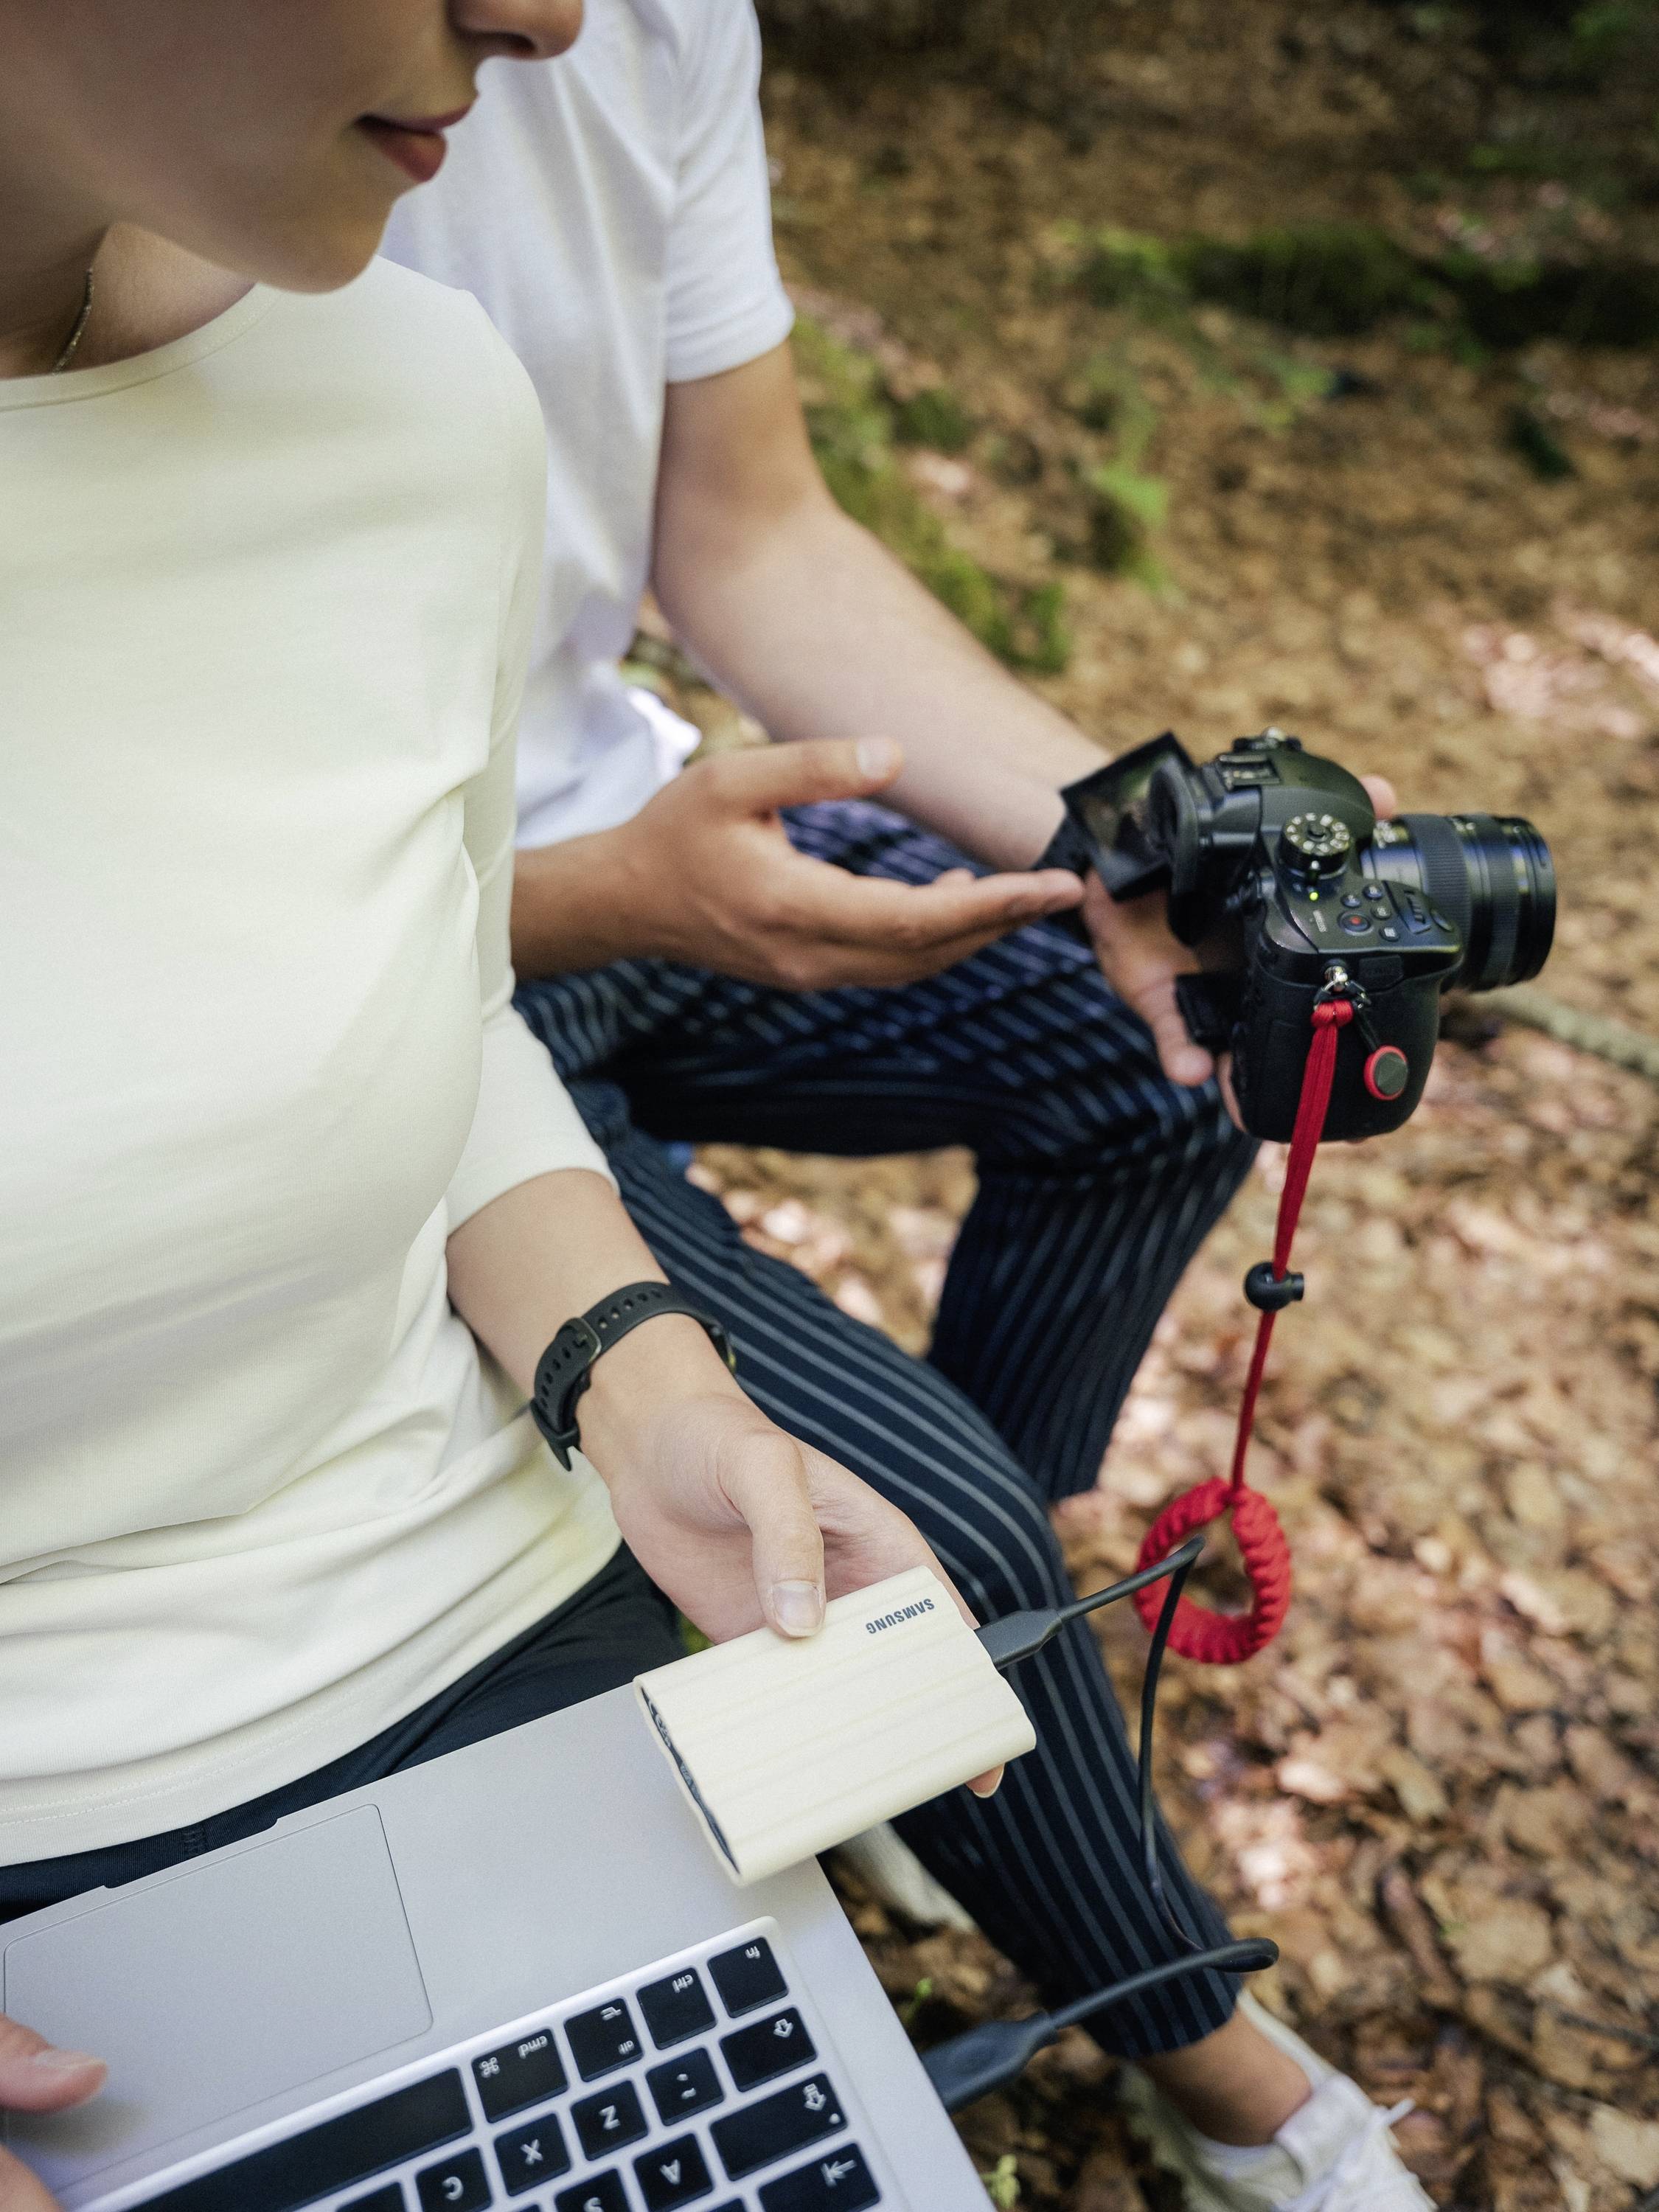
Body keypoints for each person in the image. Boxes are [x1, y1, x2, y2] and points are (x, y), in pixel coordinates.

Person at [383, 7, 1433, 2208]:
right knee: (921, 1546)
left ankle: (965, 1741)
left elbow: (749, 527)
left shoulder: (650, 25)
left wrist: (1119, 834)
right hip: (407, 986)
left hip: (639, 842)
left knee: (1145, 1076)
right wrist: (606, 900)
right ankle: (1196, 2045)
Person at [0, 4, 996, 2208]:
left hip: (490, 1644)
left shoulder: (416, 396)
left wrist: (648, 1397)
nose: (545, 16)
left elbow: (423, 1007)